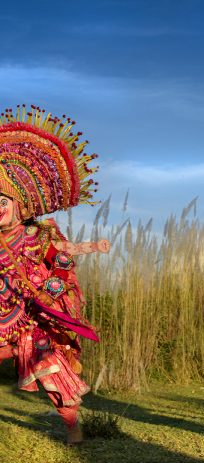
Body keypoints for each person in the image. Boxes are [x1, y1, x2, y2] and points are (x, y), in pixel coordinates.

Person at [0, 106, 109, 445]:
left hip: (33, 318)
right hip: (3, 316)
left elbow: (63, 253)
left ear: (19, 205)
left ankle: (73, 427)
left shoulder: (39, 234)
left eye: (1, 202)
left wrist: (91, 246)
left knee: (52, 370)